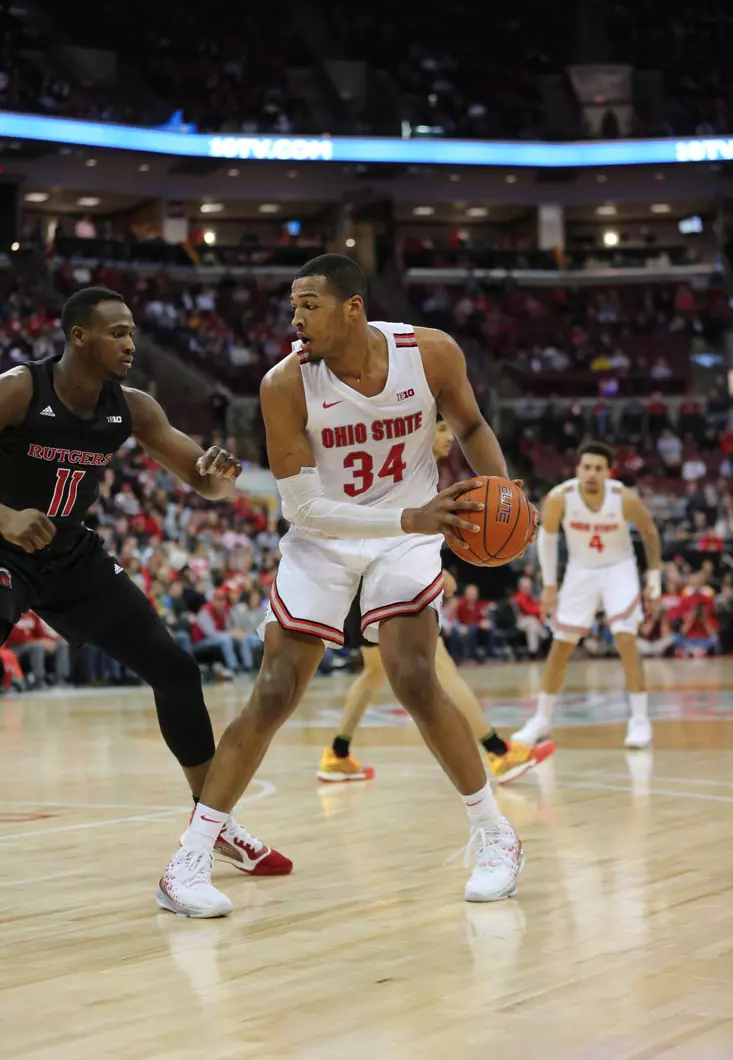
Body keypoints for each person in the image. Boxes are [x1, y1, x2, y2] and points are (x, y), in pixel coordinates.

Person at [159, 253, 537, 918]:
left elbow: (472, 427)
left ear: (353, 308)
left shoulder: (432, 353)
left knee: (415, 674)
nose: (295, 316)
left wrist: (499, 494)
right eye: (292, 305)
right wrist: (408, 515)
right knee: (275, 691)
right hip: (326, 539)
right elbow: (301, 508)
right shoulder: (283, 385)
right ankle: (188, 857)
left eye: (309, 303)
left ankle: (495, 835)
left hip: (407, 535)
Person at [0, 286, 290, 878]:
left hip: (71, 556)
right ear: (79, 336)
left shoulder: (132, 407)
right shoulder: (20, 389)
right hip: (3, 544)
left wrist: (218, 477)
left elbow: (202, 480)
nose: (131, 344)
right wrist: (4, 517)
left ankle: (214, 824)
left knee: (176, 669)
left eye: (133, 332)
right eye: (118, 333)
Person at [317, 419, 553, 785]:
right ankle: (498, 753)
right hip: (374, 577)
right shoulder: (397, 469)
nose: (449, 437)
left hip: (368, 578)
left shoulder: (417, 470)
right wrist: (429, 572)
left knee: (375, 672)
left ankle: (337, 753)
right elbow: (381, 521)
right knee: (440, 666)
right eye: (442, 428)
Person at [511, 442, 661, 751]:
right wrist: (549, 586)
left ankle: (639, 719)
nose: (591, 473)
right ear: (577, 469)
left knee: (625, 637)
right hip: (581, 570)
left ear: (609, 472)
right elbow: (548, 540)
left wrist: (654, 578)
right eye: (586, 467)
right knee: (561, 646)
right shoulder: (559, 498)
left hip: (619, 567)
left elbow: (649, 531)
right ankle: (541, 720)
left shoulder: (623, 498)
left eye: (598, 468)